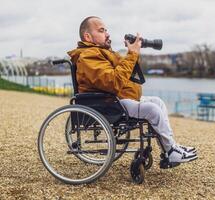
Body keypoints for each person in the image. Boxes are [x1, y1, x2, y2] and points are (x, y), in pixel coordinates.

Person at [68, 16, 197, 164]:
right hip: (107, 102)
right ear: (87, 36)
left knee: (158, 102)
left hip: (116, 98)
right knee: (152, 110)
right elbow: (113, 81)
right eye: (102, 31)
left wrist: (134, 53)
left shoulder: (103, 53)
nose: (107, 34)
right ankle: (172, 151)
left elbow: (127, 72)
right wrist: (132, 54)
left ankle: (170, 149)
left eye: (106, 30)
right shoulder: (88, 56)